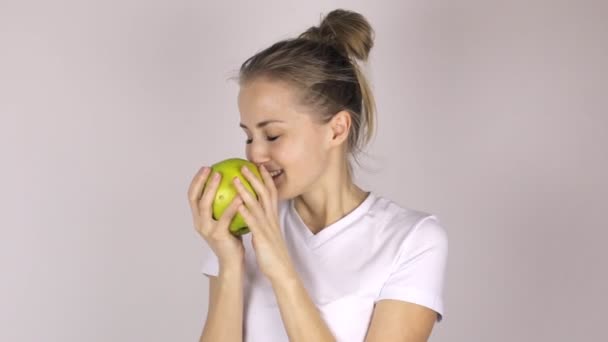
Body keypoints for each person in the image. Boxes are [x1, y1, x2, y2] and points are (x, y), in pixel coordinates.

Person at [187, 8, 448, 342]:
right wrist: (230, 263)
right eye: (249, 136)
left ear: (336, 130)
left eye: (273, 135)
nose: (254, 154)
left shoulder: (412, 240)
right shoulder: (243, 225)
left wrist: (281, 269)